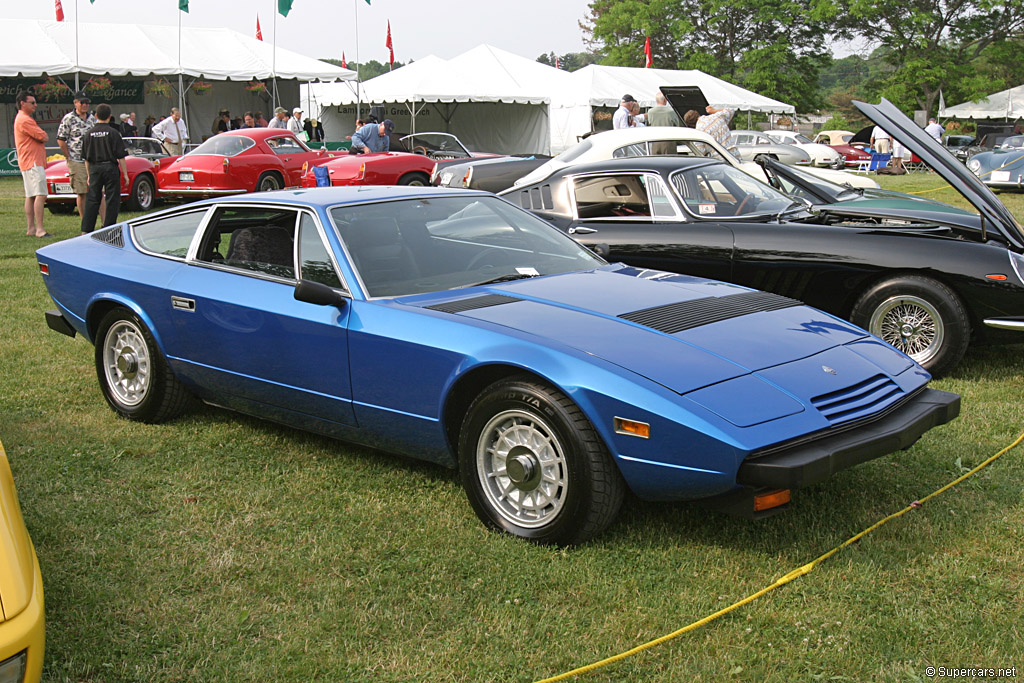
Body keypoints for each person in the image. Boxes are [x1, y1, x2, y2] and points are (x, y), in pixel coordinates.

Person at [81, 103, 129, 234]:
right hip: (110, 167)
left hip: (95, 168)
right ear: (110, 116)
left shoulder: (88, 134)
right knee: (112, 199)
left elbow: (86, 158)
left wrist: (89, 174)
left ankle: (86, 229)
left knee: (92, 199)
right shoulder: (114, 133)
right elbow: (121, 156)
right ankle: (109, 228)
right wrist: (125, 174)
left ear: (96, 116)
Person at [14, 91, 50, 237]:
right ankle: (40, 230)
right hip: (33, 161)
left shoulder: (20, 118)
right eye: (32, 102)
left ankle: (31, 228)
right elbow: (43, 136)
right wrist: (42, 136)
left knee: (30, 195)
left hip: (27, 161)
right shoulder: (25, 120)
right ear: (23, 103)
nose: (36, 105)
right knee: (40, 194)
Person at [57, 91, 97, 219]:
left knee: (97, 191)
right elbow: (61, 139)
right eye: (82, 102)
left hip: (92, 160)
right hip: (77, 160)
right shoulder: (69, 119)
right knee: (81, 192)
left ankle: (102, 222)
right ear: (75, 103)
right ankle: (84, 220)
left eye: (87, 102)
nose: (85, 105)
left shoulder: (92, 119)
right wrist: (68, 156)